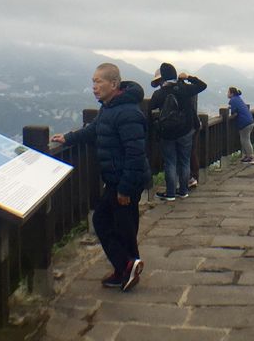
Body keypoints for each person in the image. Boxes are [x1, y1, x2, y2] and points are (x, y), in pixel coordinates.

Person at [52, 63, 149, 292]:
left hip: (124, 181)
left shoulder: (127, 112)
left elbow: (135, 154)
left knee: (103, 221)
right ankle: (125, 270)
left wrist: (124, 188)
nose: (94, 87)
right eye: (93, 82)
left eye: (99, 82)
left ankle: (126, 265)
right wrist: (68, 138)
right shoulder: (109, 107)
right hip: (117, 179)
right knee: (124, 227)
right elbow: (94, 130)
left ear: (113, 84)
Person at [149, 63, 207, 201]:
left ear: (162, 77)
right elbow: (202, 86)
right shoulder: (184, 88)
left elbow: (150, 111)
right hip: (185, 131)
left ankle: (170, 194)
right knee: (185, 161)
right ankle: (183, 191)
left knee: (170, 162)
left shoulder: (159, 94)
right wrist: (188, 77)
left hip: (167, 133)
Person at [228, 86, 254, 163]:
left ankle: (250, 157)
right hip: (250, 121)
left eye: (228, 92)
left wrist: (229, 117)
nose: (227, 94)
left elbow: (235, 113)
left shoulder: (233, 100)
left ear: (232, 93)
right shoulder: (238, 98)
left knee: (245, 140)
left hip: (244, 123)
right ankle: (247, 156)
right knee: (246, 139)